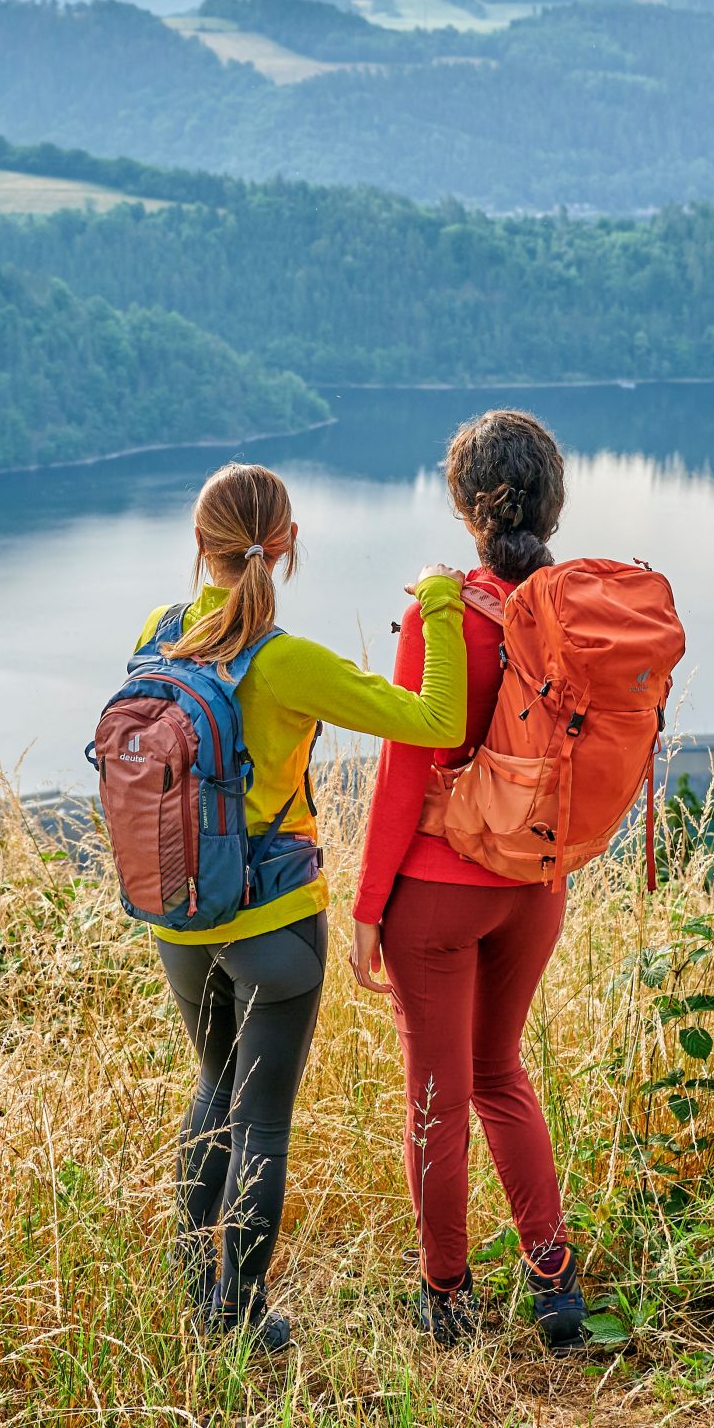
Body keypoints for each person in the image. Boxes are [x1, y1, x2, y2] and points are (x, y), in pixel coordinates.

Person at [133, 461, 468, 1352]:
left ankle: (192, 1278)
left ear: (200, 546)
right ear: (284, 546)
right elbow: (436, 718)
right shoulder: (286, 663)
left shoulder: (159, 632)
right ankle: (239, 1320)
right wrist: (439, 600)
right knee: (263, 1118)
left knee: (212, 1084)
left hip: (178, 911)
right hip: (274, 925)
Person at [349, 409, 590, 1349]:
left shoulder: (443, 610)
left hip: (440, 894)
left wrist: (370, 906)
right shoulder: (575, 609)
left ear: (464, 506)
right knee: (501, 1073)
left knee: (438, 1096)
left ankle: (447, 1294)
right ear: (553, 503)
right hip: (535, 885)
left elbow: (409, 766)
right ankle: (555, 1278)